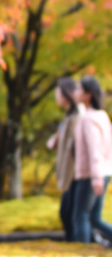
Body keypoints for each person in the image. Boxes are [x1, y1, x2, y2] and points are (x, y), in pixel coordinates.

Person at [70, 75, 112, 243]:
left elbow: (95, 150)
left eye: (79, 88)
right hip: (104, 171)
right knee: (94, 218)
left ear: (88, 95)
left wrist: (96, 178)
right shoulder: (102, 115)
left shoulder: (88, 119)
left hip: (91, 174)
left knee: (80, 216)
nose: (76, 92)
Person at [47, 77, 81, 241]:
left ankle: (81, 247)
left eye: (58, 92)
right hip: (70, 172)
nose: (56, 95)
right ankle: (76, 245)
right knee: (68, 213)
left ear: (66, 94)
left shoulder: (78, 115)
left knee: (71, 214)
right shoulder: (69, 116)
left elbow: (76, 145)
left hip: (76, 172)